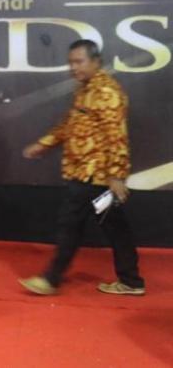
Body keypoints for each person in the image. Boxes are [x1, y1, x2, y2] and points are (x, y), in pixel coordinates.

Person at [19, 39, 145, 296]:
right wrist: (43, 144)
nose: (73, 67)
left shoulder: (107, 92)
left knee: (71, 224)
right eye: (71, 62)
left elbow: (117, 136)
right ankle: (131, 281)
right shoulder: (84, 89)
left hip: (95, 176)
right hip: (86, 174)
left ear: (96, 62)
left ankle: (51, 279)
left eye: (79, 61)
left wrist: (116, 176)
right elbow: (69, 125)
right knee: (114, 227)